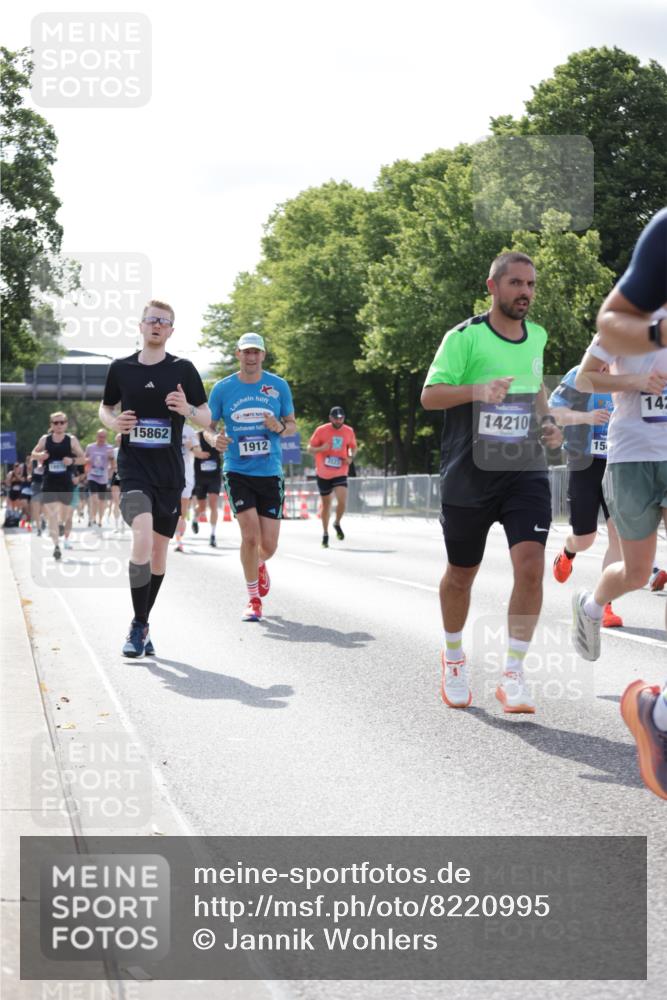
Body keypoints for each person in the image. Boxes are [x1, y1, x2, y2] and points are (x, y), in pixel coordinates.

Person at [421, 251, 562, 714]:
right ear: (493, 287)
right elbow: (430, 396)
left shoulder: (537, 335)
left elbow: (536, 385)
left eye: (531, 284)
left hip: (524, 470)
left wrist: (547, 422)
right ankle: (455, 657)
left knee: (531, 567)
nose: (525, 292)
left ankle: (513, 675)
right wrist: (479, 390)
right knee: (461, 574)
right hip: (469, 475)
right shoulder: (463, 338)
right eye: (516, 283)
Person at [571, 207, 667, 801]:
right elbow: (585, 378)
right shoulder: (631, 322)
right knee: (635, 571)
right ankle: (592, 600)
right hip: (632, 456)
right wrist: (633, 382)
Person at [99, 299, 210, 657]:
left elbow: (206, 418)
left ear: (171, 331)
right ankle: (136, 626)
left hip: (169, 473)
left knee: (159, 554)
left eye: (164, 322)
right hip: (133, 468)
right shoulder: (121, 368)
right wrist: (112, 423)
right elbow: (106, 407)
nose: (157, 326)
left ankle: (143, 623)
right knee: (142, 539)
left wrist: (187, 410)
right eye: (152, 320)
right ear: (141, 325)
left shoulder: (184, 369)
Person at [206, 332, 296, 622]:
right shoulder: (223, 388)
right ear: (238, 355)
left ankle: (258, 565)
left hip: (270, 472)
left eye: (256, 352)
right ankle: (253, 599)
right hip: (237, 470)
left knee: (268, 546)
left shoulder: (278, 386)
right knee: (250, 536)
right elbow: (208, 427)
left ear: (263, 355)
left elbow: (292, 426)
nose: (251, 357)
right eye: (246, 352)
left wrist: (280, 426)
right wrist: (213, 440)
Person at [548, 366, 623, 627]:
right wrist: (587, 417)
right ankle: (568, 552)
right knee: (585, 538)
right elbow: (553, 410)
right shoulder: (579, 375)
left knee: (618, 535)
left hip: (620, 462)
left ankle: (605, 605)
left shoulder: (630, 372)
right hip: (584, 462)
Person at [31, 413, 86, 560]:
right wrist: (40, 455)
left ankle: (62, 524)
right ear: (51, 424)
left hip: (66, 483)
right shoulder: (45, 439)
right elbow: (33, 453)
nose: (59, 425)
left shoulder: (71, 440)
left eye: (62, 422)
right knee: (52, 516)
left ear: (66, 424)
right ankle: (56, 546)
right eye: (56, 423)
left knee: (64, 515)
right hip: (49, 481)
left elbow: (83, 459)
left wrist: (72, 460)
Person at [308, 406, 357, 547]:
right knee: (326, 504)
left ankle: (336, 523)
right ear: (330, 418)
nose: (339, 420)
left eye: (341, 418)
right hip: (323, 472)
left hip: (340, 470)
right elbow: (309, 449)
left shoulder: (348, 431)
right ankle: (325, 533)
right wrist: (320, 449)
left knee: (342, 500)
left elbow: (353, 447)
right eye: (336, 418)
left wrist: (350, 457)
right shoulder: (321, 430)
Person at [193, 431, 223, 547]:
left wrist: (221, 442)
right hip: (201, 476)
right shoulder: (197, 435)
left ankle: (213, 535)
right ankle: (195, 519)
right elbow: (193, 451)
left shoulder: (218, 435)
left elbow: (222, 450)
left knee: (213, 503)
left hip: (214, 476)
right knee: (202, 507)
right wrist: (198, 452)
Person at [174, 422, 199, 553]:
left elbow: (198, 451)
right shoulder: (167, 425)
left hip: (186, 474)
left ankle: (179, 541)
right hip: (169, 472)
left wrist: (191, 448)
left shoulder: (189, 430)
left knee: (182, 510)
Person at [85, 428, 115, 528]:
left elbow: (113, 464)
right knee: (94, 499)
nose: (101, 439)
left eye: (103, 437)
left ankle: (100, 520)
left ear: (106, 437)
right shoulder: (90, 447)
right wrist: (86, 467)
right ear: (96, 436)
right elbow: (84, 460)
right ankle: (92, 518)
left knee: (102, 501)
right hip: (92, 476)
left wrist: (111, 460)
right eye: (100, 436)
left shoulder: (109, 448)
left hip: (103, 477)